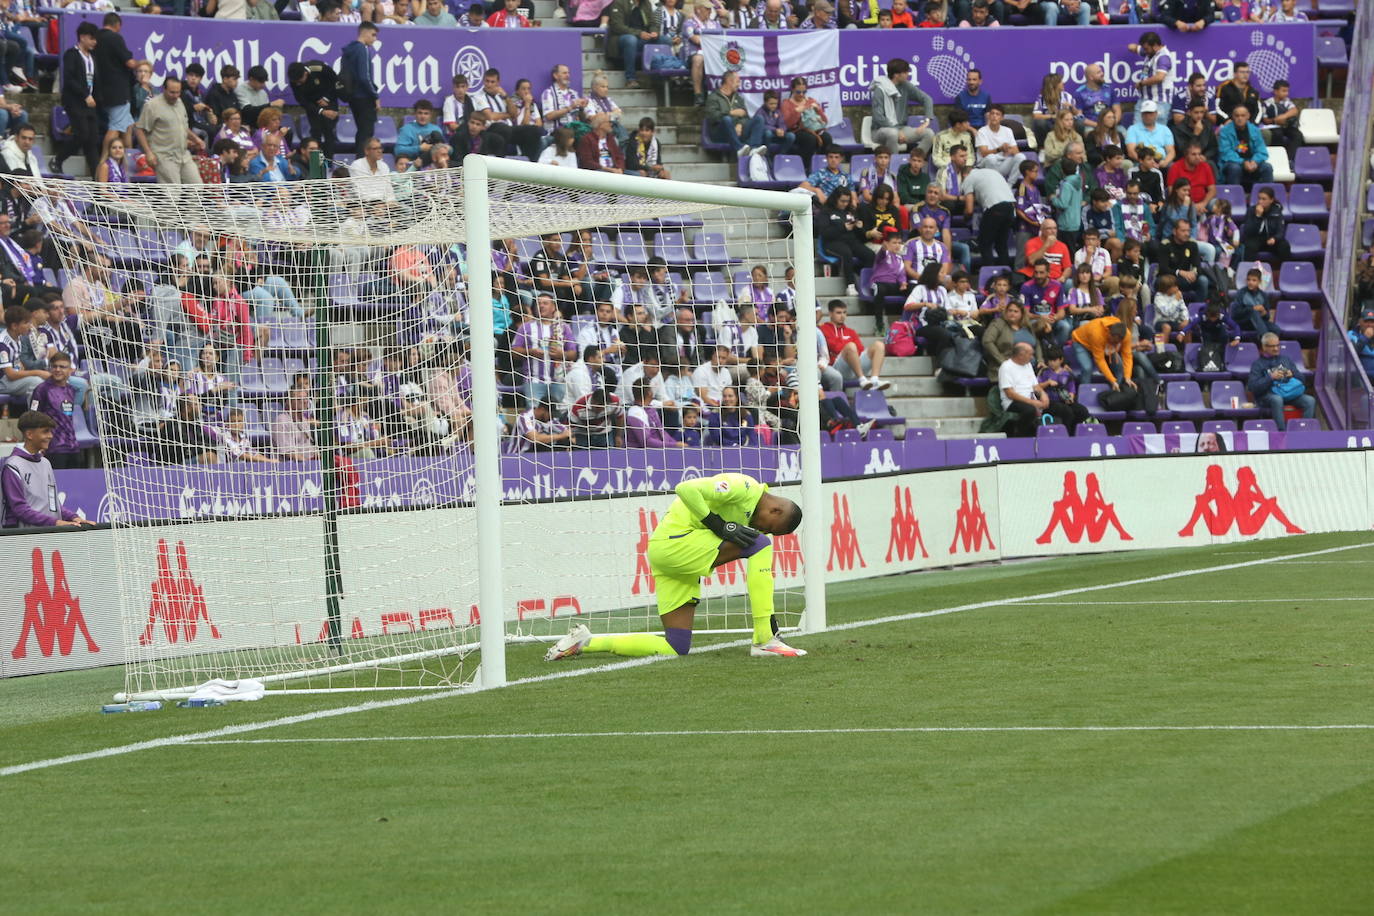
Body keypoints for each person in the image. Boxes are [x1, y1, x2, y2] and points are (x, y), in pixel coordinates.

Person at [545, 472, 805, 661]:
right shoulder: (743, 486)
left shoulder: (750, 509)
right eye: (767, 526)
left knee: (676, 646)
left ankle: (586, 642)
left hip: (671, 558)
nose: (761, 529)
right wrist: (718, 525)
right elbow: (685, 487)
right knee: (759, 544)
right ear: (775, 511)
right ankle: (764, 639)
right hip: (674, 544)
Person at [1, 411, 88, 528]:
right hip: (23, 540)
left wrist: (74, 517)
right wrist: (56, 523)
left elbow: (53, 504)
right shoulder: (12, 466)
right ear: (29, 434)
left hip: (47, 536)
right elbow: (20, 509)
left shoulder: (45, 463)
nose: (51, 436)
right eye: (45, 431)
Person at [54, 21, 100, 176]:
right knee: (82, 134)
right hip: (75, 101)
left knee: (92, 140)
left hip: (90, 103)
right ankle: (58, 159)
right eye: (92, 38)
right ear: (82, 37)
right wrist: (85, 94)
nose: (95, 42)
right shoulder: (71, 54)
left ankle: (97, 177)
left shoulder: (93, 57)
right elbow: (70, 79)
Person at [94, 13, 137, 164]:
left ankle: (128, 163)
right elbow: (129, 63)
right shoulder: (115, 37)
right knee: (115, 127)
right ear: (117, 25)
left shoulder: (95, 38)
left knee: (127, 127)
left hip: (100, 91)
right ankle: (103, 162)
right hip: (117, 92)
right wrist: (142, 64)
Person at [1247, 332, 1313, 431]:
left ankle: (1304, 432)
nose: (1276, 348)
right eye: (1272, 346)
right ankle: (1281, 433)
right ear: (1264, 347)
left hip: (1288, 394)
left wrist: (1293, 375)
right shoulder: (1258, 364)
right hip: (1267, 396)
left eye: (1278, 345)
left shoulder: (1285, 360)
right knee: (1277, 399)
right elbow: (1253, 387)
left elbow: (1302, 380)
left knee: (1310, 400)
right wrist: (1271, 378)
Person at [868, 58, 934, 156]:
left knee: (929, 134)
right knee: (892, 133)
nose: (908, 74)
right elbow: (879, 118)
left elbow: (927, 99)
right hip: (880, 131)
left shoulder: (906, 86)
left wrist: (927, 120)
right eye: (906, 72)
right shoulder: (880, 90)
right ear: (896, 75)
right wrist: (897, 131)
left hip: (902, 129)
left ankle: (915, 160)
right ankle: (894, 165)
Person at [821, 299, 889, 390]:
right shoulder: (824, 329)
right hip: (837, 368)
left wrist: (843, 344)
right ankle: (862, 380)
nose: (842, 316)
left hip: (854, 365)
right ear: (830, 314)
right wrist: (847, 345)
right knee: (851, 346)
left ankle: (874, 380)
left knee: (879, 345)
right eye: (838, 313)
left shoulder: (851, 331)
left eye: (844, 313)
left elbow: (860, 349)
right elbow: (835, 348)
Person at [960, 162, 1016, 264]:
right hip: (1010, 208)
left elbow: (969, 210)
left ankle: (990, 274)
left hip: (995, 208)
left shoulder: (969, 178)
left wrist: (965, 219)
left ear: (964, 175)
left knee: (985, 244)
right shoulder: (993, 172)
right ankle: (1006, 275)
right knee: (1001, 244)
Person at [340, 22, 381, 157]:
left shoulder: (348, 50)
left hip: (353, 96)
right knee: (366, 133)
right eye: (373, 35)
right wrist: (375, 96)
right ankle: (362, 163)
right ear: (365, 33)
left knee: (361, 131)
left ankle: (360, 160)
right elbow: (365, 77)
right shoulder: (362, 49)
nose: (375, 39)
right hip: (364, 97)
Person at [996, 342, 1048, 437]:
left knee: (1066, 409)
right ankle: (1019, 436)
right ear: (1021, 355)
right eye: (1030, 354)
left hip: (1032, 399)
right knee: (1030, 410)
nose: (1032, 357)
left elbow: (1036, 386)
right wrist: (1032, 402)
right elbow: (1010, 394)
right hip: (1013, 402)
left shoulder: (1028, 365)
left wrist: (1044, 397)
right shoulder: (1006, 367)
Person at [1218, 105, 1272, 189]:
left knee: (1267, 167)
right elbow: (1226, 153)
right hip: (1233, 163)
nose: (1240, 118)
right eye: (1237, 116)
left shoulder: (1255, 130)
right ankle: (1235, 198)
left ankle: (1267, 197)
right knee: (1235, 168)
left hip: (1252, 162)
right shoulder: (1225, 131)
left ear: (1248, 116)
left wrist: (1255, 161)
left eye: (1243, 115)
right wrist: (1243, 162)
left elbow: (1262, 151)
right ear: (1233, 116)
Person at [705, 70, 754, 156]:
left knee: (758, 120)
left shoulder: (738, 98)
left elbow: (746, 117)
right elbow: (713, 117)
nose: (739, 85)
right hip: (720, 134)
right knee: (726, 119)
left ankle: (754, 149)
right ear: (729, 81)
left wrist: (740, 124)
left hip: (738, 132)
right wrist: (731, 113)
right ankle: (739, 149)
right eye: (737, 82)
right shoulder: (713, 97)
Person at [782, 77, 831, 161]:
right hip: (797, 131)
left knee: (827, 137)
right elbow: (787, 125)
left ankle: (823, 164)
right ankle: (805, 166)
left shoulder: (811, 101)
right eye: (798, 92)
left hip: (814, 130)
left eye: (804, 92)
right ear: (792, 90)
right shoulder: (787, 103)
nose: (801, 94)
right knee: (810, 139)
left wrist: (818, 110)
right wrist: (797, 112)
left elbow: (825, 121)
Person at [1236, 187, 1290, 265]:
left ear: (1271, 200)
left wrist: (1275, 238)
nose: (1260, 201)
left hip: (1271, 239)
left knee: (1284, 246)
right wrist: (1258, 216)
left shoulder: (1277, 211)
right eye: (1259, 198)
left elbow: (1280, 231)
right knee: (1249, 246)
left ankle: (1286, 269)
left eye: (1264, 199)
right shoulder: (1251, 210)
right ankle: (1248, 269)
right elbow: (1247, 231)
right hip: (1255, 238)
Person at [973, 104, 1025, 182]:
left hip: (1003, 163)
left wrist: (1009, 150)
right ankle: (994, 184)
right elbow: (984, 153)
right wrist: (1000, 149)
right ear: (989, 116)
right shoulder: (982, 131)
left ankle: (1009, 185)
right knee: (991, 158)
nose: (994, 116)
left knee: (1021, 157)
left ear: (1002, 118)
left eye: (997, 114)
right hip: (986, 165)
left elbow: (1016, 151)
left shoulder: (1008, 130)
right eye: (992, 113)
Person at [1131, 31, 1176, 113]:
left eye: (1146, 49)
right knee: (1137, 125)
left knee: (1157, 126)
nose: (1145, 51)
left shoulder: (1163, 57)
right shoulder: (1150, 53)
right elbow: (1132, 47)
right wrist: (1135, 48)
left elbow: (1159, 77)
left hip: (1160, 101)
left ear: (1155, 46)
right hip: (1144, 99)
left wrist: (1141, 83)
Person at [1260, 79, 1303, 160]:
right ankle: (1278, 158)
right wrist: (1275, 120)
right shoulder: (1267, 103)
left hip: (1286, 126)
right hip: (1273, 127)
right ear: (1276, 91)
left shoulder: (1287, 101)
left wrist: (1283, 117)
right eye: (1283, 91)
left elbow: (1294, 110)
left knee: (1297, 135)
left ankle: (1291, 159)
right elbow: (1265, 120)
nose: (1286, 93)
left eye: (1287, 91)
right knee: (1277, 134)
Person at [1124, 100, 1175, 169]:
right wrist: (1146, 162)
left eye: (1150, 113)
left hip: (1161, 162)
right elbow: (1131, 152)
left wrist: (1165, 162)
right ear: (1141, 115)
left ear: (1156, 114)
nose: (1148, 116)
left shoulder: (1165, 129)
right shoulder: (1132, 129)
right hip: (1141, 163)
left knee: (1173, 166)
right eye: (1145, 113)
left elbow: (1171, 151)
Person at [1230, 267, 1279, 336]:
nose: (1250, 282)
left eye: (1254, 280)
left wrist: (1264, 313)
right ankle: (1264, 340)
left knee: (1276, 329)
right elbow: (1235, 314)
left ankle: (1272, 345)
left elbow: (1267, 317)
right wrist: (1252, 309)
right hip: (1243, 322)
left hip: (1259, 323)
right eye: (1248, 280)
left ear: (1259, 281)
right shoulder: (1241, 293)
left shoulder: (1263, 295)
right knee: (1253, 312)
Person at [1347, 309, 1374, 383]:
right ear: (1360, 322)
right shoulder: (1351, 335)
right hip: (1360, 381)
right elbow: (1350, 354)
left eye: (1372, 322)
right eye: (1366, 321)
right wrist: (1365, 338)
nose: (1369, 325)